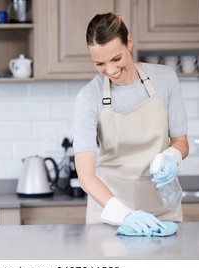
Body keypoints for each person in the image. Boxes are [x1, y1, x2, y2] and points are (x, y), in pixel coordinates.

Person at [73, 12, 189, 234]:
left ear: (129, 42)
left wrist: (172, 157)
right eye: (99, 63)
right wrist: (124, 214)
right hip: (111, 212)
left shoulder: (165, 79)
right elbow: (86, 175)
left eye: (116, 59)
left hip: (161, 211)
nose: (110, 70)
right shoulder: (88, 96)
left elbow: (181, 141)